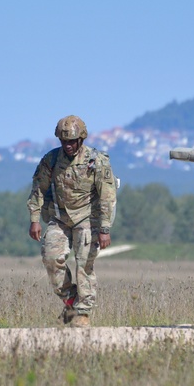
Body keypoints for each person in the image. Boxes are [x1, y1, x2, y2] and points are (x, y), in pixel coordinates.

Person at [27, 115, 117, 327]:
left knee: (84, 264)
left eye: (71, 141)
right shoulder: (51, 160)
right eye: (64, 141)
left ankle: (83, 312)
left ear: (81, 140)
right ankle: (71, 301)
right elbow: (38, 189)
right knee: (51, 258)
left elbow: (107, 196)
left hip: (88, 218)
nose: (67, 145)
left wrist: (104, 229)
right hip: (60, 217)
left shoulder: (97, 161)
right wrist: (34, 219)